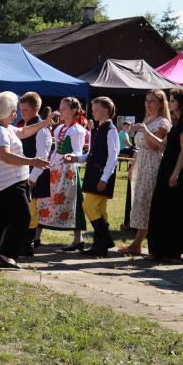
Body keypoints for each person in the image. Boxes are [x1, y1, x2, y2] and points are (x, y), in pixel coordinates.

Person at [0, 91, 53, 269]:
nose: (16, 115)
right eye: (13, 111)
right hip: (8, 183)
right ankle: (5, 255)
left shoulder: (3, 128)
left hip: (5, 183)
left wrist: (45, 123)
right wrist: (32, 161)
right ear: (5, 111)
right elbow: (4, 155)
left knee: (2, 220)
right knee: (23, 217)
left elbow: (22, 131)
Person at [143, 88, 183, 262]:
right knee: (160, 210)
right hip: (166, 168)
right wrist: (145, 132)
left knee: (172, 211)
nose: (169, 103)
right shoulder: (176, 122)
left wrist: (175, 174)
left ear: (182, 103)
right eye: (169, 100)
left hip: (175, 170)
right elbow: (163, 144)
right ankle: (159, 250)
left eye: (172, 100)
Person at [65, 97, 119, 257]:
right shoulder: (97, 129)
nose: (93, 113)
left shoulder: (110, 129)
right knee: (100, 210)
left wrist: (105, 178)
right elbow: (92, 153)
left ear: (106, 110)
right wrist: (77, 158)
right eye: (93, 110)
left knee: (88, 206)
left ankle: (104, 241)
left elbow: (113, 156)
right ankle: (100, 245)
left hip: (101, 175)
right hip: (95, 173)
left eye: (96, 110)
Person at [120, 90, 171, 255]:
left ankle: (137, 243)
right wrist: (133, 165)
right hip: (142, 163)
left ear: (161, 103)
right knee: (140, 202)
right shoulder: (148, 120)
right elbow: (140, 148)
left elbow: (156, 146)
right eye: (147, 100)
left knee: (147, 202)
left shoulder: (162, 122)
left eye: (152, 101)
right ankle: (137, 243)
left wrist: (144, 131)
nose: (148, 103)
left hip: (153, 165)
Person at [38, 98, 88, 250]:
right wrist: (50, 163)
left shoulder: (77, 130)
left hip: (68, 169)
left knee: (71, 200)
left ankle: (78, 239)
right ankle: (36, 237)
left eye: (64, 109)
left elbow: (78, 152)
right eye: (60, 109)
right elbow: (56, 150)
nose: (60, 112)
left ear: (73, 111)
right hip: (56, 167)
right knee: (45, 198)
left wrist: (68, 157)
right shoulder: (59, 129)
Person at [16, 92, 54, 254]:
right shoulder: (23, 126)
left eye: (25, 110)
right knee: (22, 209)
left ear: (36, 109)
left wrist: (33, 177)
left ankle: (28, 244)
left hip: (34, 174)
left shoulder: (42, 129)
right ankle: (21, 241)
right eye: (21, 109)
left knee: (31, 210)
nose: (22, 113)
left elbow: (43, 155)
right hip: (23, 172)